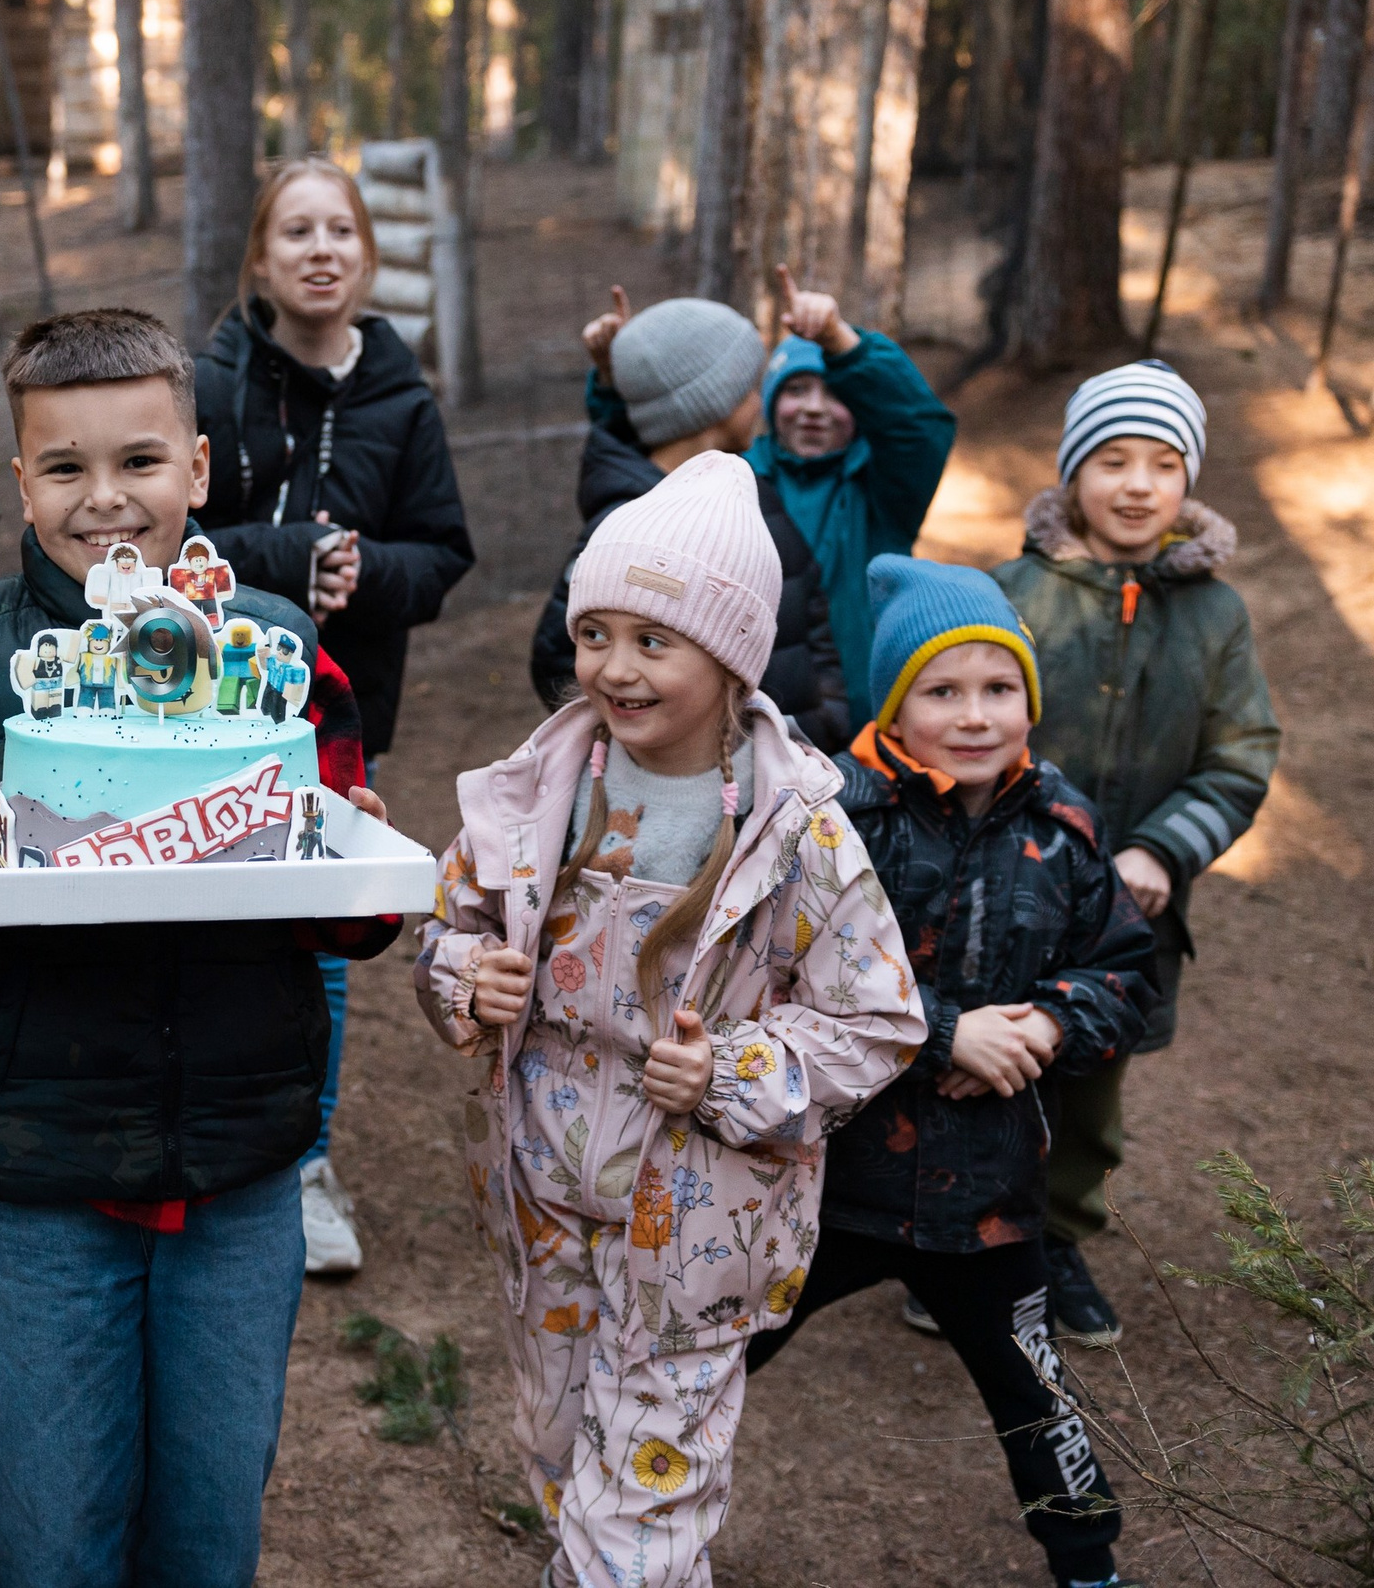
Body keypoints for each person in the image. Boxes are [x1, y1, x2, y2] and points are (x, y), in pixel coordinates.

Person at [0, 308, 401, 1587]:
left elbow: (360, 915)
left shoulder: (278, 651)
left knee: (210, 1529)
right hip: (33, 1167)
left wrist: (344, 847)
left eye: (140, 462)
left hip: (239, 1158)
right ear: (20, 484)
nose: (106, 499)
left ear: (200, 471)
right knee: (49, 1535)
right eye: (65, 467)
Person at [417, 451, 922, 1588]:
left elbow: (880, 1017)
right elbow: (449, 920)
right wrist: (464, 978)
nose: (613, 667)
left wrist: (737, 1070)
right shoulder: (540, 790)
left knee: (641, 1508)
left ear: (732, 657)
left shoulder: (797, 831)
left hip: (699, 1231)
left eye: (654, 641)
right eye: (595, 633)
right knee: (562, 1462)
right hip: (543, 1207)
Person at [749, 556, 1153, 1588]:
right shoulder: (837, 818)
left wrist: (1052, 1027)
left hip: (989, 1195)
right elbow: (782, 974)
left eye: (997, 688)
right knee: (717, 1352)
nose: (975, 716)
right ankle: (616, 1504)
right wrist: (945, 1035)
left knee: (1036, 1398)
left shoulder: (1060, 829)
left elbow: (1121, 968)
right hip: (829, 1185)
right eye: (941, 691)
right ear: (894, 704)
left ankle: (1087, 1562)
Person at [194, 157, 475, 1276]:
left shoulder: (402, 400)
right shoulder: (212, 386)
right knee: (212, 921)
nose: (320, 251)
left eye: (340, 233)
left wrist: (374, 577)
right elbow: (171, 535)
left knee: (316, 937)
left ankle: (304, 1164)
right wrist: (285, 558)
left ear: (364, 257)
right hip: (210, 708)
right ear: (261, 259)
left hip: (334, 720)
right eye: (296, 232)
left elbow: (444, 552)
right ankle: (216, 1142)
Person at [991, 360, 1279, 1343]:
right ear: (1072, 471)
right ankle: (957, 1242)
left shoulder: (1215, 617)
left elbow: (1239, 756)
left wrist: (1164, 850)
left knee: (1089, 1084)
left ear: (1186, 483)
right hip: (1007, 896)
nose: (1136, 483)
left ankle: (1055, 1238)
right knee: (989, 1064)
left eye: (1162, 463)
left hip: (1130, 911)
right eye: (1111, 458)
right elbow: (954, 728)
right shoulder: (1009, 593)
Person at [538, 292, 854, 752]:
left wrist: (823, 719)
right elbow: (555, 657)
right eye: (748, 388)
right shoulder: (635, 521)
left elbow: (807, 625)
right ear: (714, 404)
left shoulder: (748, 495)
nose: (758, 402)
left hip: (780, 762)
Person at [742, 266, 958, 723]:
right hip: (751, 723)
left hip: (865, 725)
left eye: (835, 394)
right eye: (796, 390)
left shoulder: (884, 489)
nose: (814, 409)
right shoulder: (736, 483)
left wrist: (841, 343)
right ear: (770, 404)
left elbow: (919, 426)